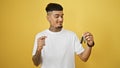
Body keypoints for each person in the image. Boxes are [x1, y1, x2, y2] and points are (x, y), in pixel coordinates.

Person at [32, 3, 95, 68]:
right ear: (48, 18)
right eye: (57, 16)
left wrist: (89, 45)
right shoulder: (40, 36)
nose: (61, 19)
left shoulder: (71, 35)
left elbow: (84, 58)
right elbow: (36, 63)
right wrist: (39, 49)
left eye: (62, 16)